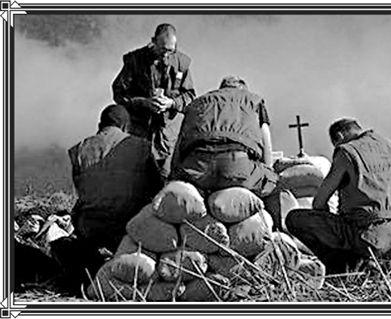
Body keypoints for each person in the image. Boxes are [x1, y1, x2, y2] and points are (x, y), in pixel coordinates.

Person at [285, 118, 391, 272]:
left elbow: (319, 202)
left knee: (295, 219)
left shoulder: (347, 151)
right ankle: (384, 264)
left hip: (371, 237)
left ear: (340, 137)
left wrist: (328, 220)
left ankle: (342, 270)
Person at [171, 75, 282, 224]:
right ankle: (276, 229)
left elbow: (179, 145)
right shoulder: (253, 100)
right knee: (273, 182)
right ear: (243, 89)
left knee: (185, 196)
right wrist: (268, 172)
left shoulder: (196, 103)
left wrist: (175, 176)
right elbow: (266, 141)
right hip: (237, 167)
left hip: (197, 168)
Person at [68, 104, 163, 253]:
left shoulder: (79, 148)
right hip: (127, 227)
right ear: (126, 126)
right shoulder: (142, 146)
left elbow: (80, 187)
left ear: (100, 125)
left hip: (89, 227)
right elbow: (157, 188)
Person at [112, 23, 196, 179]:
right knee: (137, 175)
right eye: (162, 49)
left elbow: (190, 96)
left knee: (165, 176)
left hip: (167, 133)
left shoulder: (181, 64)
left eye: (170, 51)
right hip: (139, 129)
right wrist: (144, 102)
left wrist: (171, 103)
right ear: (153, 41)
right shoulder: (136, 61)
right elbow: (118, 93)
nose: (166, 55)